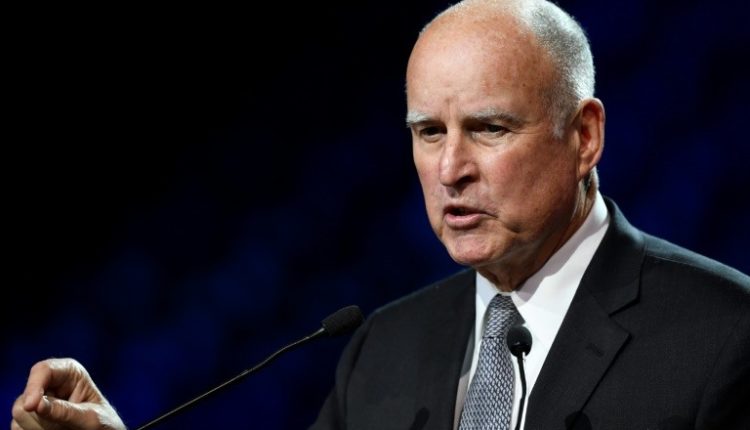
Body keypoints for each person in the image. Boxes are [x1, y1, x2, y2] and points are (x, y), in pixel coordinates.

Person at [11, 0, 749, 429]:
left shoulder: (725, 336)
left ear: (584, 136)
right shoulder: (385, 348)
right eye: (428, 132)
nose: (451, 168)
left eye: (489, 128)